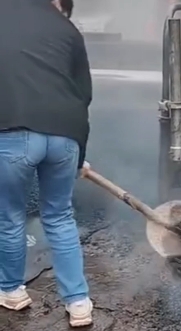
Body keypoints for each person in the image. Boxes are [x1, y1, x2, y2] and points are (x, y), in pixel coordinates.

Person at [0, 0, 93, 327]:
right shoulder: (68, 30)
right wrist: (79, 154)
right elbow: (84, 94)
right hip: (66, 134)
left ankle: (12, 290)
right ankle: (79, 302)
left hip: (13, 131)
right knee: (59, 215)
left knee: (10, 216)